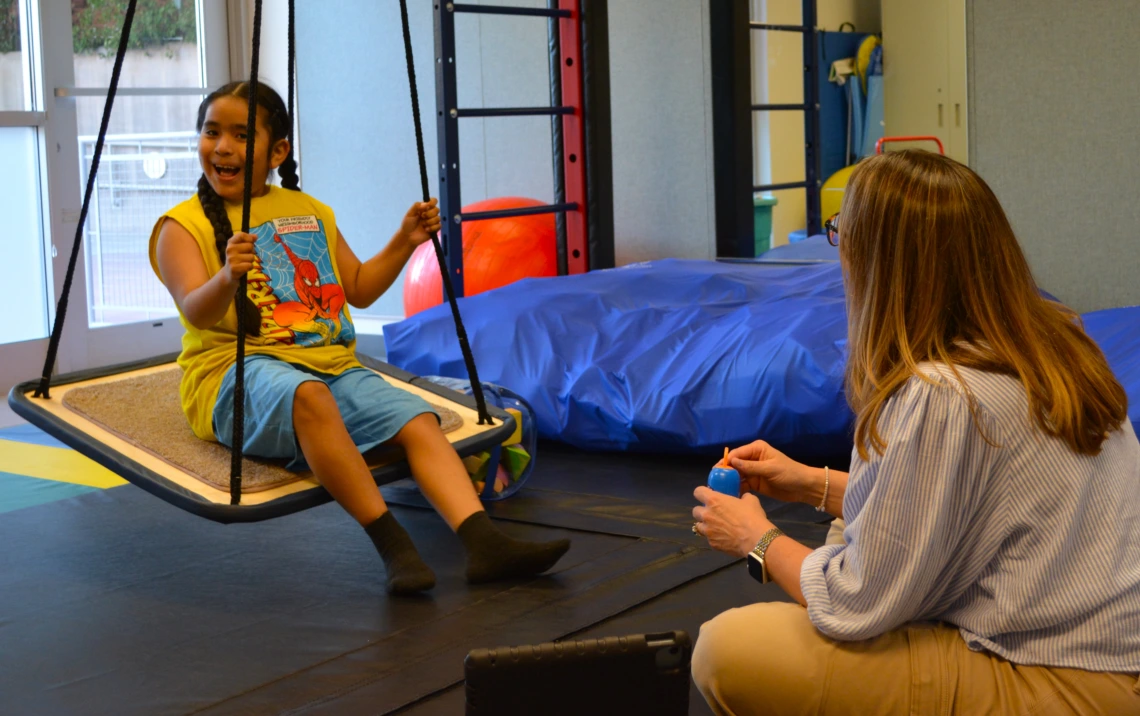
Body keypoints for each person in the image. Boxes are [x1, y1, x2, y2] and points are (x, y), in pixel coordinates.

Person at [689, 150, 1140, 714]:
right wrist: (811, 484)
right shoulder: (1058, 347)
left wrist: (753, 538)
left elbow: (860, 600)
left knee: (729, 649)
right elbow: (948, 512)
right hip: (1115, 662)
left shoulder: (945, 392)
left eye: (839, 234)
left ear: (876, 260)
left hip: (1070, 683)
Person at [149, 81, 569, 595]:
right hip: (232, 375)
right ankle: (394, 545)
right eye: (212, 132)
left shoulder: (309, 211)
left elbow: (359, 288)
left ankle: (483, 542)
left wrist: (403, 241)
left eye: (241, 135)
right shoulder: (180, 227)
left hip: (329, 363)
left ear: (278, 151)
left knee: (417, 420)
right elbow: (195, 309)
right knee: (309, 397)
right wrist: (226, 278)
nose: (223, 147)